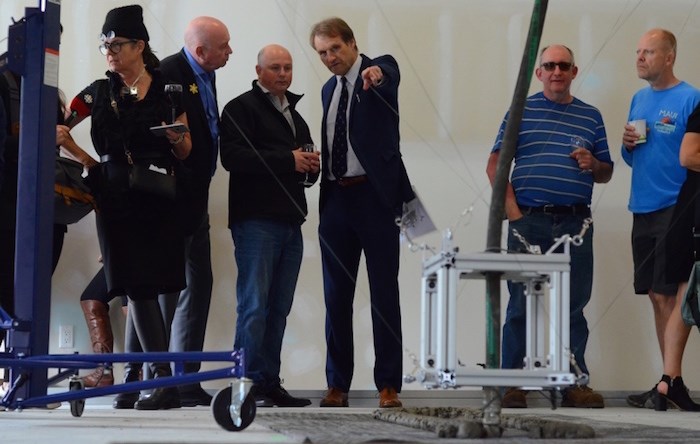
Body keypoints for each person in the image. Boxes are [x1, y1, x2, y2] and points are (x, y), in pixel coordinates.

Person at [68, 4, 192, 410]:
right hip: (115, 198)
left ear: (139, 45)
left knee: (151, 285)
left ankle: (158, 381)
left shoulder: (167, 88)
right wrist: (82, 157)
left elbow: (187, 148)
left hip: (157, 196)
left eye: (117, 44)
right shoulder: (97, 92)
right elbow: (60, 125)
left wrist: (175, 138)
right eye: (105, 43)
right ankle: (159, 381)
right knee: (134, 288)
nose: (109, 51)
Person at [486, 44, 613, 409]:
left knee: (574, 305)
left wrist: (595, 164)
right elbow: (496, 166)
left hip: (577, 223)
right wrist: (514, 215)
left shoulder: (591, 117)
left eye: (564, 65)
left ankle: (573, 383)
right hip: (530, 220)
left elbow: (606, 172)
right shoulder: (520, 111)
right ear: (539, 73)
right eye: (549, 65)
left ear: (574, 72)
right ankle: (512, 383)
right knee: (520, 304)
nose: (557, 71)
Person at [310, 17, 415, 409]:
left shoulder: (378, 71)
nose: (330, 58)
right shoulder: (326, 90)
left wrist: (376, 73)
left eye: (335, 48)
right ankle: (337, 384)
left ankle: (388, 385)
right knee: (336, 296)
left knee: (384, 294)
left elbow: (389, 71)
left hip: (378, 199)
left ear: (352, 44)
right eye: (322, 53)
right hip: (336, 201)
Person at [219, 44, 318, 408]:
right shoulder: (240, 108)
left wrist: (309, 168)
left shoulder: (295, 114)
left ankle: (268, 382)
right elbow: (232, 158)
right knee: (254, 305)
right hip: (256, 221)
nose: (283, 74)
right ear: (258, 71)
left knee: (279, 307)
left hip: (291, 221)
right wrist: (288, 160)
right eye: (275, 67)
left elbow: (301, 163)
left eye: (288, 67)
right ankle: (241, 385)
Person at [620, 29, 700, 410]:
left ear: (668, 57)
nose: (640, 57)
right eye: (638, 51)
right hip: (642, 205)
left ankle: (670, 380)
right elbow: (632, 157)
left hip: (676, 206)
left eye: (648, 51)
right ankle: (670, 381)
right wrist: (627, 145)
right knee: (655, 294)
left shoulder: (691, 97)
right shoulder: (638, 98)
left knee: (670, 292)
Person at [157, 16, 232, 407]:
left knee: (199, 286)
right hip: (172, 199)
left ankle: (186, 380)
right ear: (200, 51)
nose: (230, 52)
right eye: (224, 47)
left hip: (197, 197)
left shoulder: (206, 73)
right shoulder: (167, 72)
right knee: (172, 289)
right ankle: (165, 380)